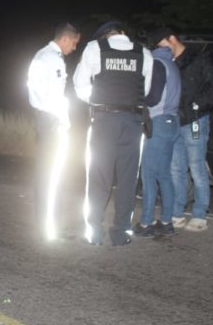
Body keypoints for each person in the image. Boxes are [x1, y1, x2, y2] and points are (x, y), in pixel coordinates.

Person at [73, 20, 153, 246]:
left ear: (104, 37)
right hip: (133, 121)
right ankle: (120, 234)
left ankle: (94, 233)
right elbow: (144, 90)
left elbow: (79, 84)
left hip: (104, 119)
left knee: (99, 176)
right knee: (128, 179)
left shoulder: (94, 49)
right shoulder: (144, 53)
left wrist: (97, 99)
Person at [149, 27, 213, 232]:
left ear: (172, 39)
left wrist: (196, 106)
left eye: (162, 45)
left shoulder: (200, 59)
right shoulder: (169, 63)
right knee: (176, 169)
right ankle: (177, 213)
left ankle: (200, 214)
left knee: (197, 167)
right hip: (174, 121)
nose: (161, 50)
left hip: (195, 121)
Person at [27, 22, 81, 240]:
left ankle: (48, 223)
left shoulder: (41, 55)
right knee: (53, 174)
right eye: (75, 43)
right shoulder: (52, 58)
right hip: (52, 121)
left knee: (48, 173)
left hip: (44, 119)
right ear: (65, 39)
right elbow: (55, 96)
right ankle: (51, 227)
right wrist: (62, 121)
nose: (75, 48)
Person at [132, 33, 182, 237]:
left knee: (149, 175)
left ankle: (146, 223)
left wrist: (138, 99)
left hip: (158, 123)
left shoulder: (158, 63)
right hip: (172, 122)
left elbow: (153, 97)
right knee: (164, 175)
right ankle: (167, 221)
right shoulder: (172, 64)